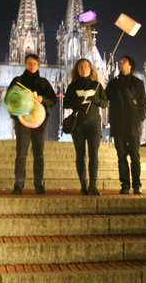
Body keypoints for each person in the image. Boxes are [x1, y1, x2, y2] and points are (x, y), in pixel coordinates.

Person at [5, 53, 57, 195]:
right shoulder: (18, 81)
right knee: (21, 153)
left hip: (40, 121)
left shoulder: (43, 83)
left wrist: (42, 98)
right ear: (25, 64)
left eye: (34, 63)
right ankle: (18, 184)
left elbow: (53, 100)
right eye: (29, 63)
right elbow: (7, 99)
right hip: (22, 121)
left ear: (38, 64)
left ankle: (38, 184)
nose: (32, 66)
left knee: (39, 153)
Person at [64, 58, 108, 195]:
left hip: (94, 124)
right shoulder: (72, 86)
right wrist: (77, 100)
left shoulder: (97, 85)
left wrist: (96, 99)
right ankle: (83, 184)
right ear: (77, 70)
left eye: (86, 66)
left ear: (90, 69)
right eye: (81, 67)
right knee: (80, 155)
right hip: (78, 125)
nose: (84, 68)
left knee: (94, 155)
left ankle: (93, 185)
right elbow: (66, 103)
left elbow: (105, 103)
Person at [105, 55, 146, 195]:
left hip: (133, 125)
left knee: (135, 157)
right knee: (121, 157)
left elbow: (143, 104)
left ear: (130, 66)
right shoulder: (113, 83)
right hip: (118, 125)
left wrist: (139, 119)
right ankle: (125, 185)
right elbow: (105, 98)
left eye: (124, 61)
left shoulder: (138, 84)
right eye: (120, 61)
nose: (120, 63)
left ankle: (137, 185)